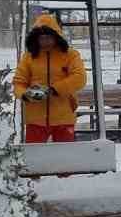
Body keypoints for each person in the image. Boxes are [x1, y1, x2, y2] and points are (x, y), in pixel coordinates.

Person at [13, 13, 87, 143]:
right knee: (34, 158)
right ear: (36, 39)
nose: (45, 41)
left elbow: (79, 78)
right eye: (41, 38)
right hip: (35, 119)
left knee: (65, 156)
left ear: (56, 37)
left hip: (64, 117)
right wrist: (26, 95)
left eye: (48, 37)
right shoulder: (28, 57)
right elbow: (19, 83)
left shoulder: (70, 55)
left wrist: (54, 90)